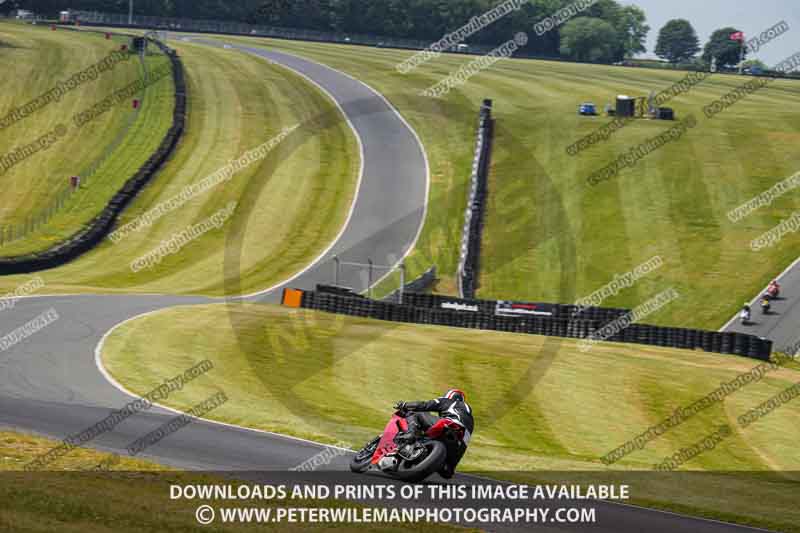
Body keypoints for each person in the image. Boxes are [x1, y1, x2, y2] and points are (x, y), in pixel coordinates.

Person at [394, 389, 474, 478]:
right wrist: (451, 466)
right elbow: (464, 445)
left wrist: (405, 405)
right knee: (447, 472)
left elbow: (425, 405)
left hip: (447, 423)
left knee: (416, 412)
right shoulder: (471, 420)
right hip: (458, 442)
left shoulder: (448, 401)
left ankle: (411, 433)